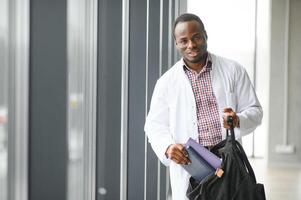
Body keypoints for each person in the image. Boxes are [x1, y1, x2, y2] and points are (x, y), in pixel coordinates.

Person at [144, 13, 263, 200]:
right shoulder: (166, 82)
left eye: (196, 37)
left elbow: (255, 111)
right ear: (176, 44)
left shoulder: (233, 70)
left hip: (228, 162)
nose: (191, 45)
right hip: (192, 165)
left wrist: (238, 119)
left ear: (205, 35)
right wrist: (167, 147)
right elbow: (154, 125)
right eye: (183, 41)